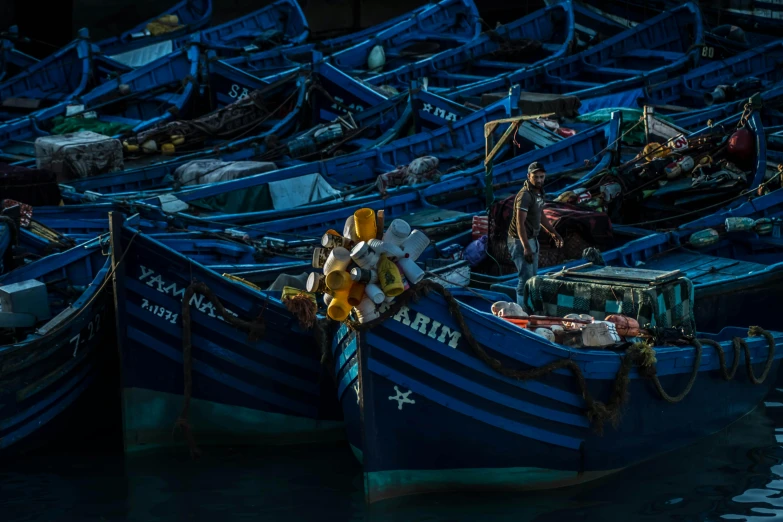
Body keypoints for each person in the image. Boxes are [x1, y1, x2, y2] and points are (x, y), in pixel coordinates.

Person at [507, 162, 564, 306]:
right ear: (528, 176)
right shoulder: (524, 196)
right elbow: (520, 223)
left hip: (532, 238)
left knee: (533, 276)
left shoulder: (539, 192)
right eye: (536, 177)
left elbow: (541, 214)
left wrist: (553, 232)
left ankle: (529, 306)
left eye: (541, 177)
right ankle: (520, 309)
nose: (539, 180)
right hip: (519, 240)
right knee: (525, 278)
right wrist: (526, 247)